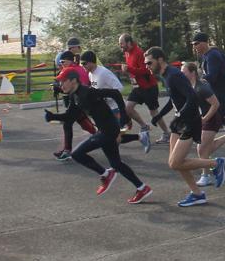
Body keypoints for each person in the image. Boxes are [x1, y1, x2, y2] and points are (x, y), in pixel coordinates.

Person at [144, 47, 225, 207]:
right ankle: (197, 194)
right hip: (180, 122)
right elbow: (174, 100)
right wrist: (159, 116)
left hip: (189, 122)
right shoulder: (165, 75)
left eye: (149, 62)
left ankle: (216, 164)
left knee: (176, 163)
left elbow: (192, 97)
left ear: (160, 59)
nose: (147, 65)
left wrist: (180, 114)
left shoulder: (175, 75)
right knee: (175, 162)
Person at [57, 68, 153, 204]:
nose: (61, 85)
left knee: (77, 153)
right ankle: (142, 188)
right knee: (116, 163)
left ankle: (106, 174)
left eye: (63, 81)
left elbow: (115, 93)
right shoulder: (75, 95)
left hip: (108, 131)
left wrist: (124, 114)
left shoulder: (88, 92)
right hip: (104, 130)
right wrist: (52, 116)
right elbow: (70, 116)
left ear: (73, 81)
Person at [46, 50, 98, 161]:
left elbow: (79, 87)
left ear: (70, 61)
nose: (61, 64)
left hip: (80, 100)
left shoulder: (75, 70)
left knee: (67, 122)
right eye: (60, 61)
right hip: (77, 100)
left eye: (63, 61)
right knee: (82, 121)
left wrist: (52, 116)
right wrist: (58, 88)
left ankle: (67, 151)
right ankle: (99, 134)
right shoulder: (70, 69)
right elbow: (67, 87)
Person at [119, 34, 169, 148]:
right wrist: (127, 71)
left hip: (149, 87)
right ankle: (144, 126)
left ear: (129, 43)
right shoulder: (127, 53)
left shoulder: (139, 53)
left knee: (154, 112)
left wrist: (129, 69)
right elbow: (133, 70)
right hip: (137, 88)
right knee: (128, 108)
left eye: (122, 43)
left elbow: (146, 71)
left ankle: (167, 133)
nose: (120, 46)